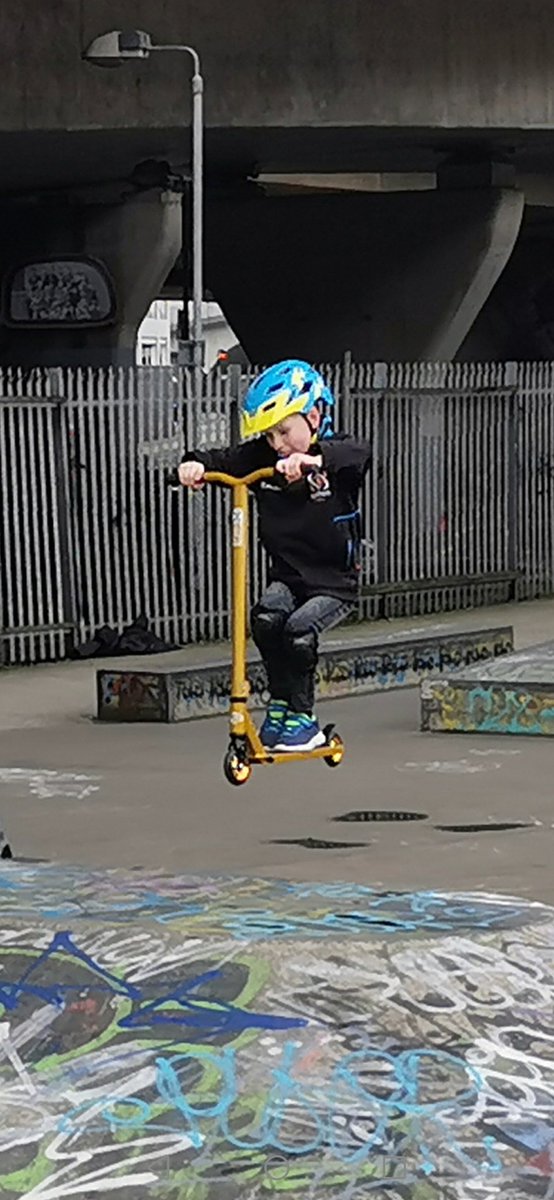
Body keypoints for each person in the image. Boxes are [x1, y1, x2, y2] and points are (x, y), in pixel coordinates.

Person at [178, 359, 371, 752]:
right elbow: (223, 458)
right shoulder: (264, 458)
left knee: (299, 632)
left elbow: (358, 453)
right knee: (266, 620)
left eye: (284, 431)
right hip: (288, 576)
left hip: (333, 583)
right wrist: (193, 464)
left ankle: (305, 719)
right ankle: (280, 707)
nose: (278, 445)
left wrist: (312, 460)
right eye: (269, 436)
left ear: (314, 415)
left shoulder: (335, 458)